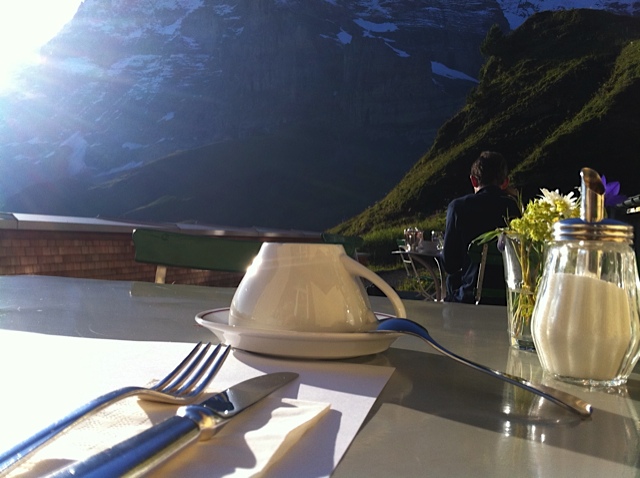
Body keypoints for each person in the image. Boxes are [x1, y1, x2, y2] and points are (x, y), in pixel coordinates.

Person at [442, 151, 520, 304]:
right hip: (507, 299)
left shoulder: (458, 207)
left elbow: (450, 265)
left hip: (470, 298)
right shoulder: (514, 208)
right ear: (505, 182)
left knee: (452, 279)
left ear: (473, 180)